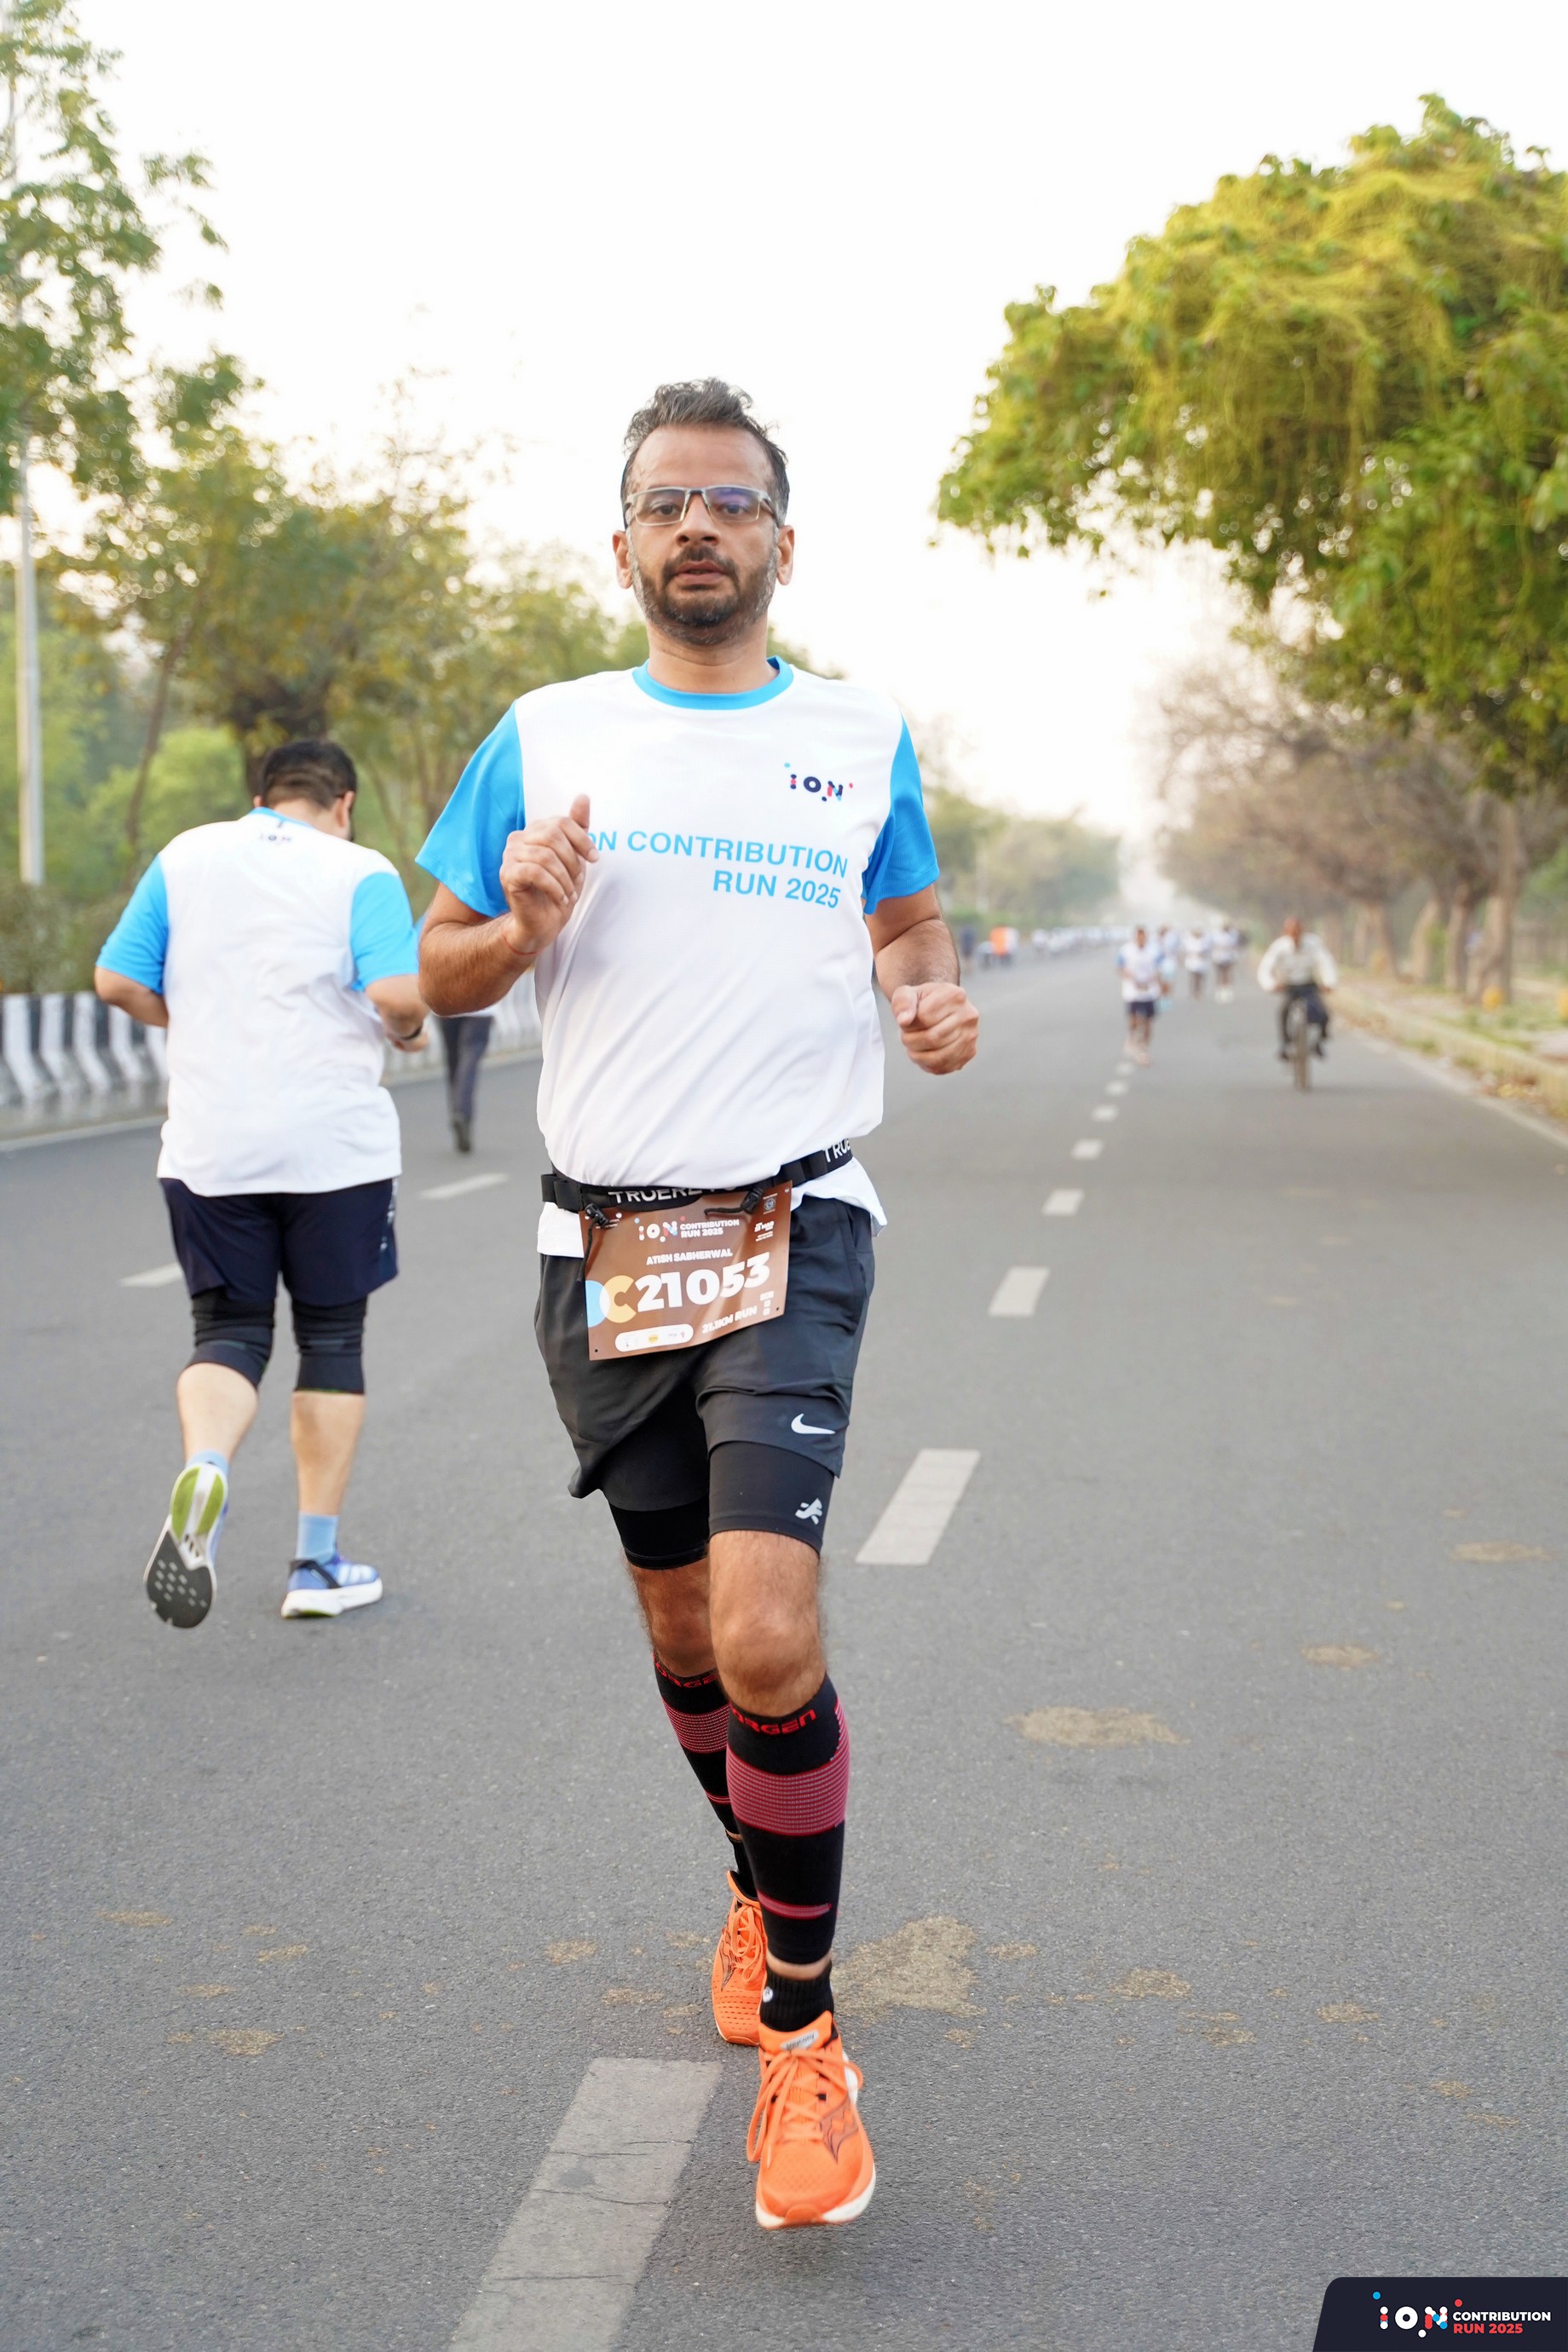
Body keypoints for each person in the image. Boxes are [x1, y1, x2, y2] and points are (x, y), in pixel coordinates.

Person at [417, 379, 978, 2233]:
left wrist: (925, 992)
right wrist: (520, 922)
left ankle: (806, 2037)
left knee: (761, 1632)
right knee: (679, 1634)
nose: (698, 527)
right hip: (603, 1247)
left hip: (794, 1218)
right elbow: (432, 977)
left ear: (781, 544)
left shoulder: (857, 734)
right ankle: (758, 1875)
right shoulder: (545, 734)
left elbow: (905, 921)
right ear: (622, 542)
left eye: (731, 501)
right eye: (667, 501)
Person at [94, 740, 428, 1630]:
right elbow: (400, 995)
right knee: (332, 1339)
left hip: (211, 1146)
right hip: (333, 1151)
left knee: (229, 1332)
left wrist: (192, 1018)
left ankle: (208, 1465)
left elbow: (116, 980)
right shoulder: (360, 871)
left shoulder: (186, 856)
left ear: (261, 797)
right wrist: (403, 1030)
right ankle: (316, 1562)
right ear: (343, 803)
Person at [1257, 916, 1338, 1058]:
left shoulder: (1313, 943)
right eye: (1292, 932)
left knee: (1323, 1014)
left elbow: (1326, 963)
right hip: (1289, 986)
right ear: (1286, 932)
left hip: (1308, 984)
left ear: (1303, 931)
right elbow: (1265, 967)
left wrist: (1329, 983)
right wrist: (1270, 985)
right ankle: (1285, 1045)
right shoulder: (1279, 947)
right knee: (1283, 1012)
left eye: (1298, 932)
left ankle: (1318, 1042)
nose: (1295, 936)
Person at [440, 1011, 493, 1153]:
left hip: (447, 1006)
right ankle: (462, 1110)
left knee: (453, 1061)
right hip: (481, 1009)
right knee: (470, 1058)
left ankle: (457, 1109)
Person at [1117, 924, 1162, 1063]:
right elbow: (1120, 968)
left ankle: (1144, 1050)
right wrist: (1131, 978)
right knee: (1134, 1020)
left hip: (1150, 991)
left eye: (1143, 936)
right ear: (1135, 937)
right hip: (1132, 992)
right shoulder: (1125, 950)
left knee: (1148, 1022)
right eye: (1139, 936)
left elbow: (1159, 969)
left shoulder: (1155, 950)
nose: (1141, 939)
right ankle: (1132, 1037)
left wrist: (1154, 980)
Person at [1210, 918, 1240, 1002]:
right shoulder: (1216, 934)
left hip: (1228, 957)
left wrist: (1235, 957)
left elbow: (1235, 946)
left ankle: (1227, 991)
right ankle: (1218, 991)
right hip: (1218, 957)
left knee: (1227, 974)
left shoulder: (1233, 934)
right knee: (1219, 974)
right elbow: (1213, 945)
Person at [1182, 924, 1211, 1000]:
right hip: (1192, 962)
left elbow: (1207, 951)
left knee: (1200, 978)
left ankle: (1199, 992)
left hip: (1201, 962)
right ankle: (1193, 992)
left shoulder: (1204, 940)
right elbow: (1187, 950)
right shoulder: (1189, 940)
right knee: (1193, 977)